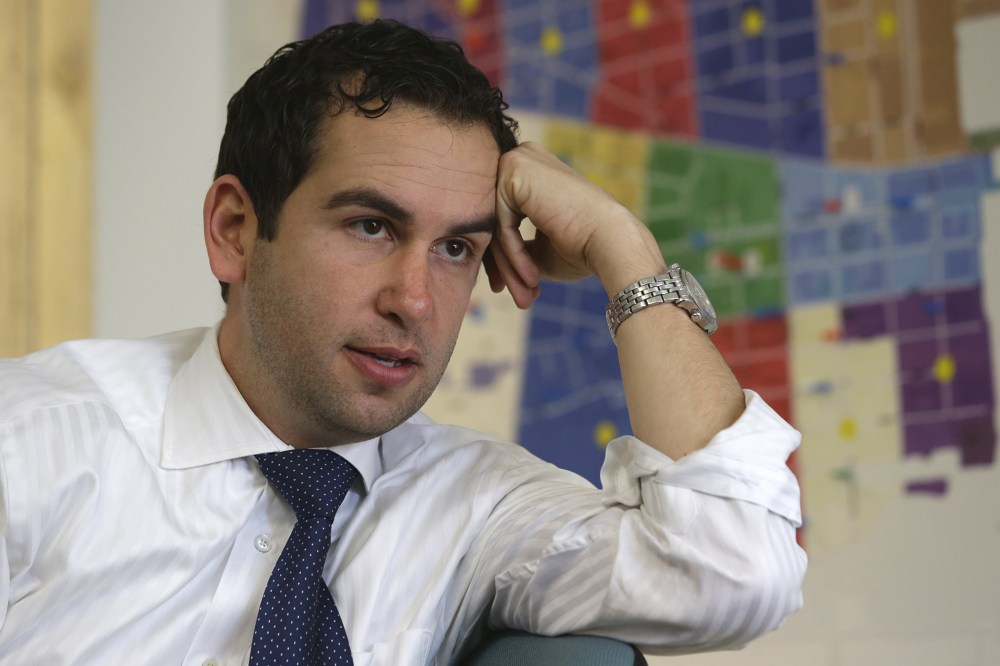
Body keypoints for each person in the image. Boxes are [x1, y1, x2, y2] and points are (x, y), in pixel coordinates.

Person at [0, 19, 805, 665]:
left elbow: (732, 569)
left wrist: (622, 246)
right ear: (236, 232)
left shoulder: (475, 503)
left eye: (457, 247)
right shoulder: (32, 443)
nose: (414, 300)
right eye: (370, 226)